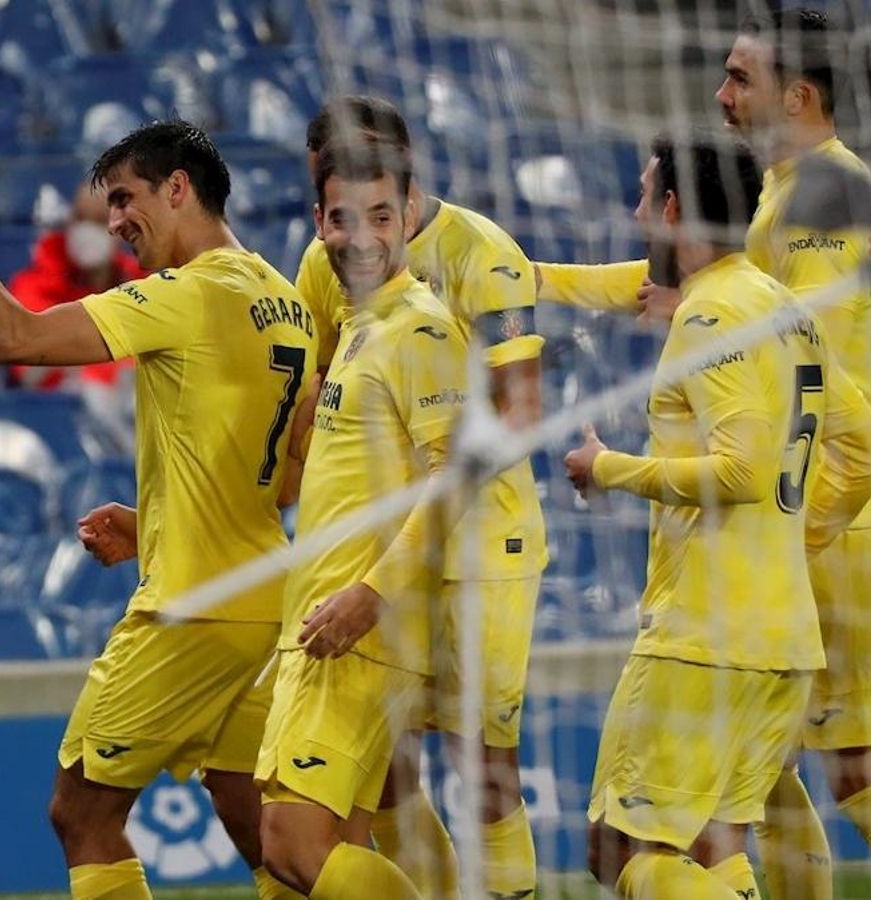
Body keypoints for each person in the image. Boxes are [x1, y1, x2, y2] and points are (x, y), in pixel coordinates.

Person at [540, 9, 871, 899]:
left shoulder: (824, 194)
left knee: (859, 766)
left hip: (821, 502)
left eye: (740, 79)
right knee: (757, 778)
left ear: (798, 95)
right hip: (813, 481)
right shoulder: (778, 191)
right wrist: (531, 279)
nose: (721, 95)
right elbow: (699, 287)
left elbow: (783, 333)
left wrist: (698, 327)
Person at [0, 119, 320, 900]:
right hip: (263, 601)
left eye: (128, 198)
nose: (114, 222)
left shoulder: (188, 292)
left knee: (83, 816)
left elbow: (10, 337)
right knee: (259, 826)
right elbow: (284, 478)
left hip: (194, 609)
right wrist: (155, 522)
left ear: (180, 188)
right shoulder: (285, 300)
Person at [562, 132, 871, 900]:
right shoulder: (786, 309)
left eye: (646, 196)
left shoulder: (708, 316)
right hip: (782, 637)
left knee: (617, 849)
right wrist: (788, 541)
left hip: (704, 639)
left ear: (674, 208)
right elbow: (870, 452)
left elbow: (741, 471)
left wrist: (609, 469)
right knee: (715, 851)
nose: (638, 212)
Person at [296, 95, 547, 900]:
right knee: (387, 763)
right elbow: (314, 402)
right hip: (385, 547)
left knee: (481, 758)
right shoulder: (321, 260)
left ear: (408, 180)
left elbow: (520, 408)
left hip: (483, 542)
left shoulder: (482, 250)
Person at [254, 140, 467, 900]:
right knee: (316, 855)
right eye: (345, 219)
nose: (365, 235)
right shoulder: (357, 328)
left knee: (291, 841)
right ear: (319, 223)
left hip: (361, 626)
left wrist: (370, 594)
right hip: (328, 619)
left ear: (409, 215)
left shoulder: (421, 328)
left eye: (383, 214)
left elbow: (457, 480)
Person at [8, 180, 143, 441]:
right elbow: (32, 370)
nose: (87, 230)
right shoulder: (33, 287)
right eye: (80, 218)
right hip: (58, 427)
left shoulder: (142, 286)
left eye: (99, 220)